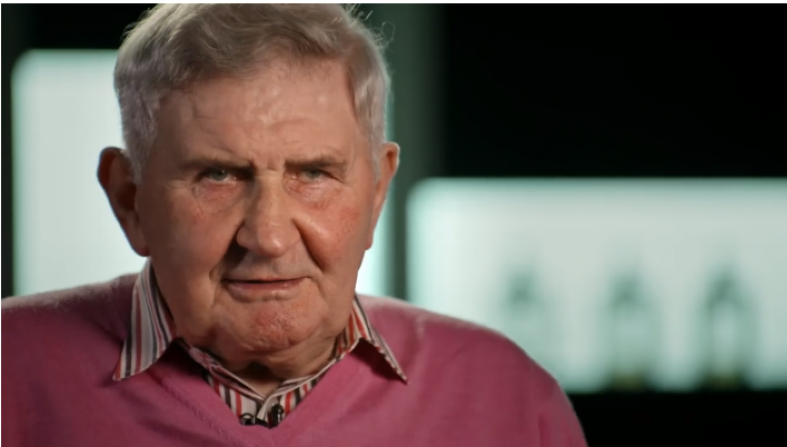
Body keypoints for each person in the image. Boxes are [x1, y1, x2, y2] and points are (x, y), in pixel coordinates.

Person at [2, 4, 587, 446]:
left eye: (313, 174)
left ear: (378, 190)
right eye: (219, 176)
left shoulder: (508, 398)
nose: (270, 237)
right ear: (130, 199)